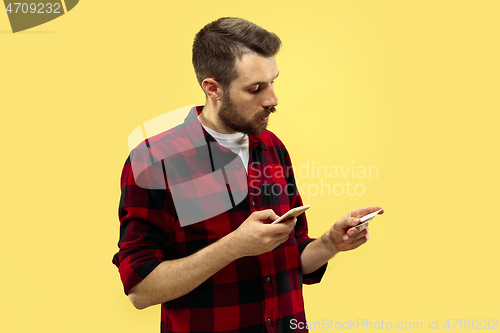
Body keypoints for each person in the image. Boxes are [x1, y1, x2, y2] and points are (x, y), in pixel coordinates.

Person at [113, 17, 383, 332]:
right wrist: (235, 246)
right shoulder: (155, 160)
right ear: (212, 89)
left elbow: (292, 255)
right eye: (256, 88)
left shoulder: (272, 147)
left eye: (273, 82)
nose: (272, 99)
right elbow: (140, 289)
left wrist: (329, 243)